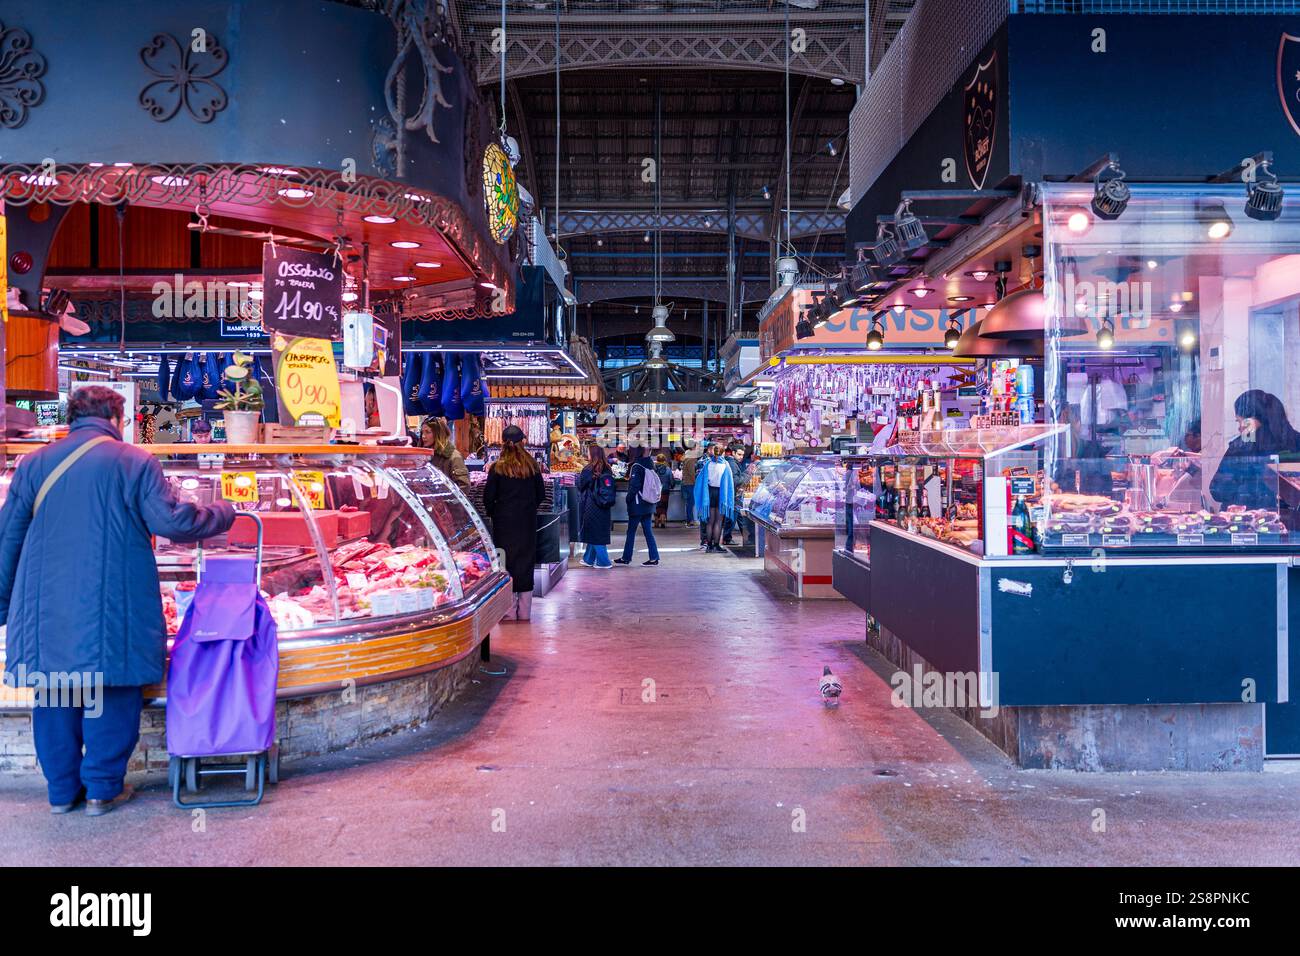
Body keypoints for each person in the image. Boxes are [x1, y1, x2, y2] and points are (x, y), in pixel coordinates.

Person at [0, 386, 235, 815]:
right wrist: (223, 512)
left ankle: (60, 794)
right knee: (109, 691)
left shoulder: (33, 464)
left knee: (53, 696)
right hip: (112, 605)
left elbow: (7, 539)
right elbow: (173, 522)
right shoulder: (134, 461)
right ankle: (102, 790)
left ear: (72, 417)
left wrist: (2, 607)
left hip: (45, 611)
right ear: (116, 417)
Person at [483, 425, 546, 620]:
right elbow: (541, 494)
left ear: (503, 443)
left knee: (506, 563)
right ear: (522, 442)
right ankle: (525, 612)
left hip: (504, 523)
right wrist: (529, 508)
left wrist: (496, 512)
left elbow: (488, 497)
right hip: (526, 522)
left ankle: (508, 612)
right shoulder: (532, 466)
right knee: (525, 563)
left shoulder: (498, 467)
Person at [1210, 390, 1300, 510]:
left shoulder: (1241, 447)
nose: (1240, 427)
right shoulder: (1295, 441)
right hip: (1289, 521)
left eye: (1241, 421)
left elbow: (1218, 490)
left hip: (1246, 521)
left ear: (1253, 418)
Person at [614, 446, 660, 566]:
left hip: (638, 504)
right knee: (648, 531)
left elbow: (634, 486)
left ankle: (626, 557)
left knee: (631, 531)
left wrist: (628, 499)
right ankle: (654, 557)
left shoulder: (637, 466)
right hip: (649, 503)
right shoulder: (651, 464)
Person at [575, 444, 616, 568]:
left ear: (592, 454)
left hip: (591, 504)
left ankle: (604, 562)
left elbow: (581, 485)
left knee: (595, 532)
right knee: (596, 530)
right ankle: (588, 559)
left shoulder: (588, 469)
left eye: (588, 452)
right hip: (604, 504)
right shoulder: (607, 467)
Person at [694, 443, 735, 553]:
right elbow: (729, 484)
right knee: (718, 521)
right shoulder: (725, 465)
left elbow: (700, 479)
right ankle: (716, 545)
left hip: (709, 493)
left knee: (710, 521)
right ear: (722, 452)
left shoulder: (708, 464)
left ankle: (709, 545)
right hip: (721, 494)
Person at [420, 416, 469, 493]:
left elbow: (464, 486)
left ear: (439, 434)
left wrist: (448, 503)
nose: (423, 436)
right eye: (422, 432)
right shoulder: (425, 456)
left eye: (428, 432)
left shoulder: (454, 457)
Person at [652, 453, 675, 528]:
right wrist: (672, 486)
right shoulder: (668, 469)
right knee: (664, 506)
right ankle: (662, 521)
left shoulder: (653, 470)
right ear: (664, 460)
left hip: (655, 491)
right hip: (665, 490)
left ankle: (656, 522)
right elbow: (671, 480)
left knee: (656, 506)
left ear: (657, 460)